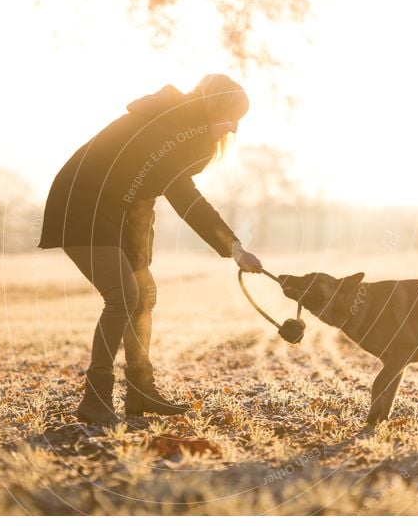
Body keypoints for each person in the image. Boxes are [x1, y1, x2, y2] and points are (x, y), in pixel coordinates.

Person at [37, 74, 264, 427]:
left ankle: (140, 390)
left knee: (143, 293)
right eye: (230, 117)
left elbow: (143, 194)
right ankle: (95, 399)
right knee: (123, 296)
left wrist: (139, 249)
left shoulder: (179, 124)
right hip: (80, 208)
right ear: (213, 108)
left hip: (113, 212)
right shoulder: (172, 129)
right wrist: (234, 248)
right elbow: (185, 198)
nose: (233, 128)